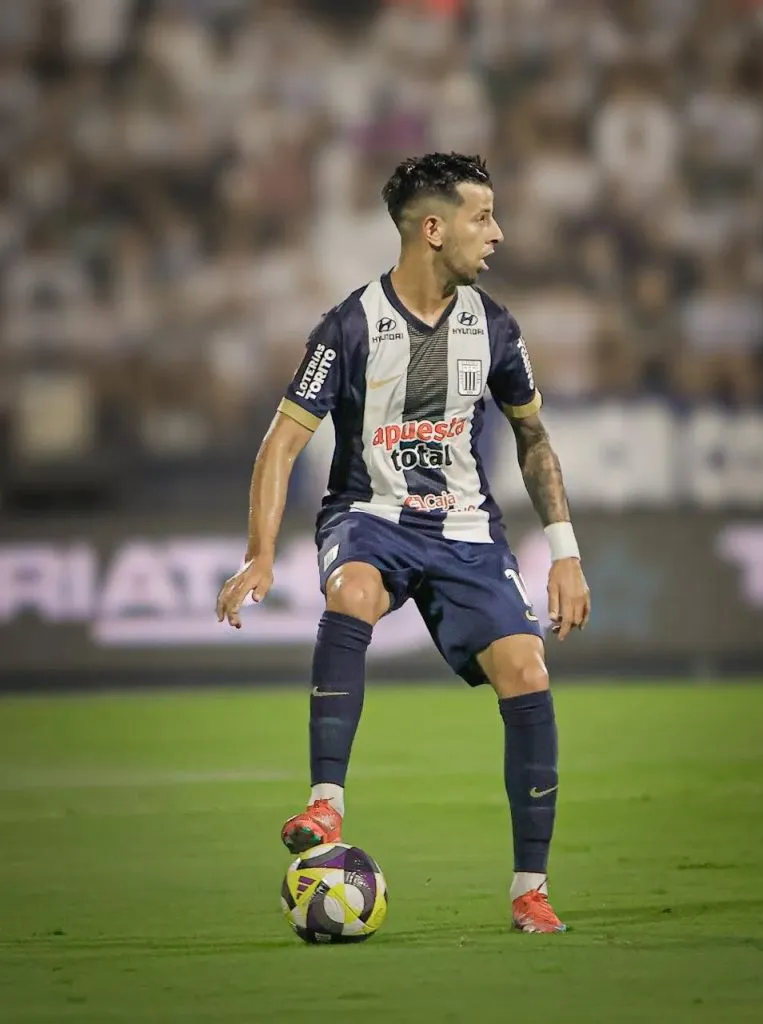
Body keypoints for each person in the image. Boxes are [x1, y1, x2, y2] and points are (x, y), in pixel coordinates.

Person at [216, 153, 591, 934]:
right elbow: (281, 443)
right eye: (481, 217)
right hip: (370, 515)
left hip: (464, 532)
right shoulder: (350, 325)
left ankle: (530, 889)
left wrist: (564, 551)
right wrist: (258, 552)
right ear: (432, 229)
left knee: (527, 670)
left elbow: (533, 439)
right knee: (349, 589)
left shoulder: (493, 325)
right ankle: (325, 809)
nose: (497, 234)